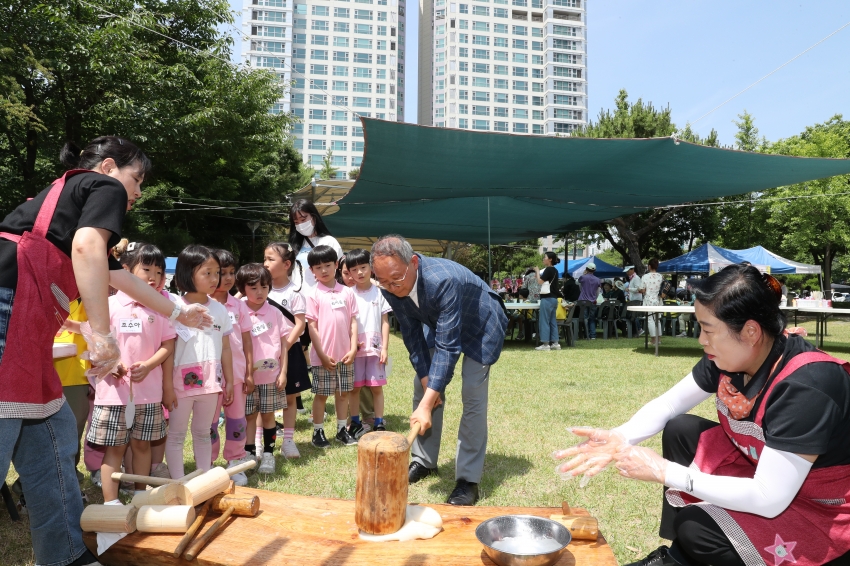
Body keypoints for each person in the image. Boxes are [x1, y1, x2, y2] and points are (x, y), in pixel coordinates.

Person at [0, 136, 211, 566]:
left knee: (54, 438)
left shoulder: (69, 204)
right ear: (111, 167)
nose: (136, 193)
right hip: (8, 315)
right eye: (136, 180)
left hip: (28, 332)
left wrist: (178, 312)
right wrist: (101, 332)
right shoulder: (103, 187)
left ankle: (66, 556)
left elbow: (121, 278)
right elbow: (88, 249)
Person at [554, 264, 850, 566]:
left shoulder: (809, 384)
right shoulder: (732, 356)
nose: (701, 340)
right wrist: (620, 436)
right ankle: (678, 557)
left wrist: (664, 471)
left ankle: (693, 550)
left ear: (750, 331)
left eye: (708, 329)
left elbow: (769, 498)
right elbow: (670, 405)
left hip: (822, 508)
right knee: (681, 428)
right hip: (770, 474)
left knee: (697, 528)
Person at [371, 235, 508, 506]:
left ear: (413, 263)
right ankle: (424, 461)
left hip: (481, 323)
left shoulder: (442, 280)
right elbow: (412, 337)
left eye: (396, 279)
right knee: (422, 388)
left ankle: (468, 480)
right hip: (438, 323)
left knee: (472, 393)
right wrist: (427, 384)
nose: (391, 287)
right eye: (383, 281)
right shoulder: (389, 284)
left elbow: (448, 348)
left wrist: (428, 399)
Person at [88, 243, 175, 504]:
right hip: (114, 395)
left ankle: (140, 495)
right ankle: (111, 503)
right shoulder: (109, 304)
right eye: (146, 269)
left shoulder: (161, 307)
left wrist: (148, 365)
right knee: (114, 450)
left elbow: (168, 345)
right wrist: (112, 364)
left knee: (142, 446)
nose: (154, 277)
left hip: (148, 394)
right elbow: (96, 342)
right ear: (125, 271)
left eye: (159, 272)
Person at [165, 245, 234, 479]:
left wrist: (230, 381)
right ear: (187, 273)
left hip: (211, 385)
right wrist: (166, 386)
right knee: (175, 435)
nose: (215, 279)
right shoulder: (174, 308)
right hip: (179, 386)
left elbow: (226, 348)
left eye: (218, 273)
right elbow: (168, 347)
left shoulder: (221, 311)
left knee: (204, 432)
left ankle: (204, 480)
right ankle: (177, 483)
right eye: (208, 273)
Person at [305, 245, 359, 448]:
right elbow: (312, 326)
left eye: (328, 265)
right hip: (323, 357)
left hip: (345, 355)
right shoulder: (312, 294)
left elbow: (353, 322)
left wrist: (353, 349)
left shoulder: (347, 292)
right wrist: (321, 354)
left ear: (337, 265)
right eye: (318, 267)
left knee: (343, 393)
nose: (324, 270)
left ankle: (341, 430)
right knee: (321, 395)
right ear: (312, 271)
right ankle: (318, 431)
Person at [209, 249, 254, 485]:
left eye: (231, 273)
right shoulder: (202, 304)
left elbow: (247, 341)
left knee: (237, 420)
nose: (227, 278)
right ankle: (207, 463)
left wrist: (248, 372)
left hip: (236, 376)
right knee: (209, 423)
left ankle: (235, 460)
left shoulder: (239, 306)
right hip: (210, 378)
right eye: (221, 273)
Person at [237, 263, 287, 474]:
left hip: (271, 376)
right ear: (242, 289)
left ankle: (268, 454)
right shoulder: (239, 311)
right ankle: (248, 453)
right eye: (254, 287)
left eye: (264, 287)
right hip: (246, 377)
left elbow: (284, 343)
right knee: (249, 416)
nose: (260, 292)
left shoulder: (275, 312)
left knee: (268, 416)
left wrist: (283, 372)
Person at [264, 242, 312, 459]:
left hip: (289, 352)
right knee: (262, 399)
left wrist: (284, 346)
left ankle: (289, 441)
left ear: (286, 264)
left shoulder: (295, 292)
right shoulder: (258, 289)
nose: (265, 264)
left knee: (291, 397)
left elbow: (300, 325)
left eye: (270, 259)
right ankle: (259, 441)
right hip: (264, 353)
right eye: (264, 259)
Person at [344, 249, 392, 438]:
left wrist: (385, 348)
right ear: (349, 272)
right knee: (354, 388)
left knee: (376, 387)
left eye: (363, 267)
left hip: (375, 350)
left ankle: (378, 422)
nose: (360, 272)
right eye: (354, 269)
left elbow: (385, 321)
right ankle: (355, 421)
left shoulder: (379, 293)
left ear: (371, 267)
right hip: (355, 351)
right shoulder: (348, 294)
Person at [288, 198, 344, 291]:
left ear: (313, 217)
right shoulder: (292, 246)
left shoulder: (329, 241)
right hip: (299, 297)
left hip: (324, 296)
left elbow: (341, 271)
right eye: (296, 222)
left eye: (303, 219)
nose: (300, 225)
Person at [534, 252, 562, 350]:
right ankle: (555, 343)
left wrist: (537, 271)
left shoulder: (548, 270)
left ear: (550, 259)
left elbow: (540, 281)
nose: (543, 259)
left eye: (545, 257)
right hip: (554, 299)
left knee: (544, 321)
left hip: (547, 298)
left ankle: (545, 344)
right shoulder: (555, 270)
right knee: (552, 321)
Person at [640, 258, 664, 346]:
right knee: (658, 320)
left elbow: (642, 290)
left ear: (649, 266)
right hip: (658, 300)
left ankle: (653, 340)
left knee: (650, 320)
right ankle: (659, 339)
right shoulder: (661, 276)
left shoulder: (645, 277)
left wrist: (639, 290)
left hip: (648, 300)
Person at [577, 262, 602, 340]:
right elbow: (598, 292)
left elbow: (577, 282)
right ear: (594, 270)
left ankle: (586, 334)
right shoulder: (598, 280)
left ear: (586, 269)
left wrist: (584, 274)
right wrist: (594, 298)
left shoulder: (583, 277)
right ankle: (593, 335)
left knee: (584, 318)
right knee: (592, 318)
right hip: (593, 301)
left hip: (583, 301)